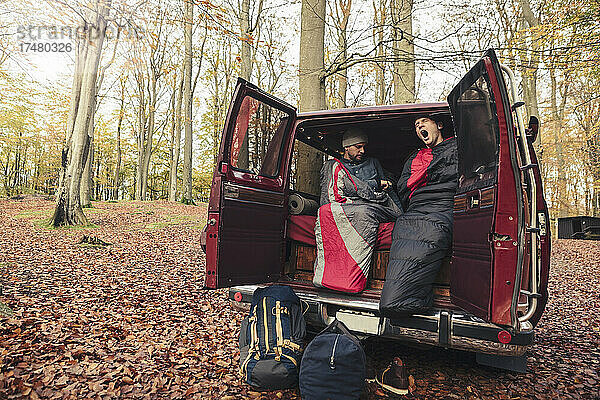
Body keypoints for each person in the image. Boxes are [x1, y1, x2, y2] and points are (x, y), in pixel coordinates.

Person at [379, 113, 458, 316]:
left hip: (443, 205)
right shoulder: (415, 157)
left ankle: (402, 299)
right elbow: (403, 187)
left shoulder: (456, 147)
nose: (419, 126)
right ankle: (401, 298)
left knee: (430, 229)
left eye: (424, 122)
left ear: (439, 125)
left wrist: (430, 178)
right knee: (404, 224)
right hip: (416, 208)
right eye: (416, 125)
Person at [312, 128, 400, 293]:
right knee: (325, 211)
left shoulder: (373, 162)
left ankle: (351, 278)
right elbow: (328, 197)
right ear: (347, 147)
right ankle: (330, 276)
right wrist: (374, 184)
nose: (363, 151)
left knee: (363, 212)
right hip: (346, 205)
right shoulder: (334, 166)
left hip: (373, 204)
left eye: (364, 146)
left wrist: (400, 213)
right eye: (358, 146)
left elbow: (385, 187)